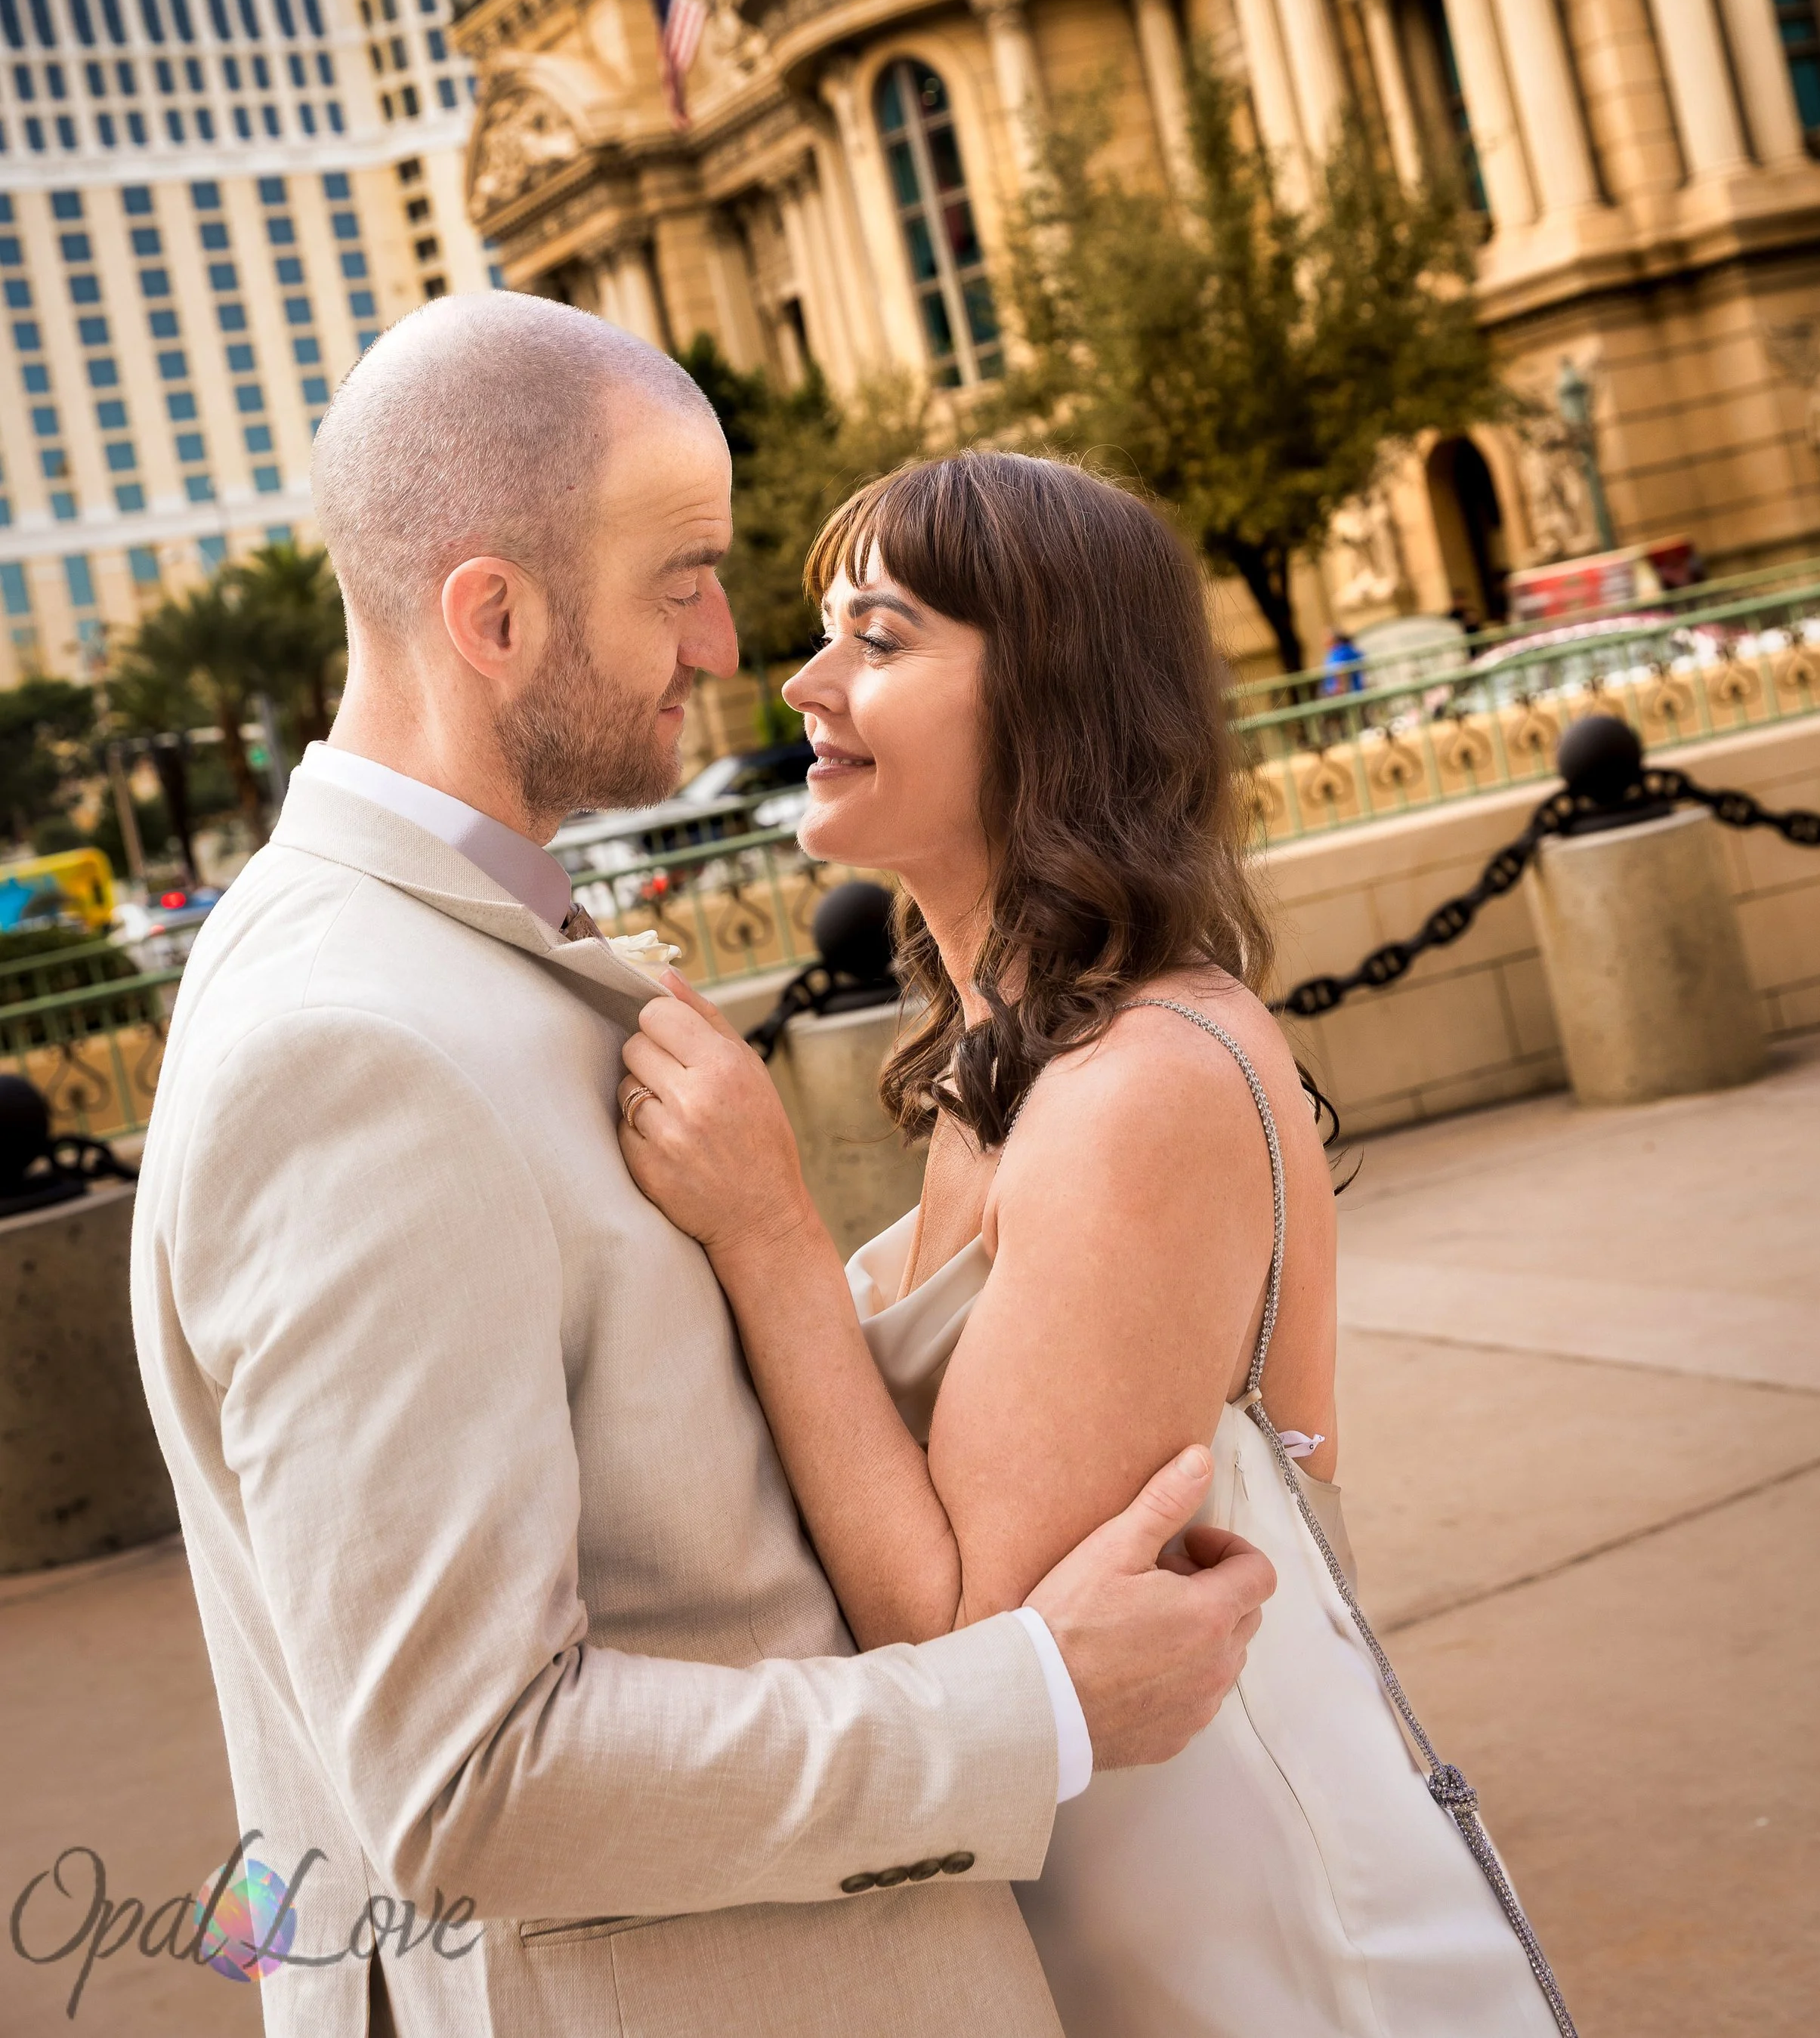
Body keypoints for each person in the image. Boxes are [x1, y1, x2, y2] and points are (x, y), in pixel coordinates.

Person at [129, 300, 1278, 2038]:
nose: (731, 645)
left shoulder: (433, 956)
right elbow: (468, 1783)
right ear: (492, 617)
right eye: (680, 580)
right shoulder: (351, 1042)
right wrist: (1035, 1703)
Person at [619, 449, 1573, 2038]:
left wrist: (768, 1231)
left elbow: (973, 1654)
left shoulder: (1139, 1087)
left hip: (1266, 1958)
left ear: (1047, 697)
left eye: (880, 638)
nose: (801, 681)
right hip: (1110, 1935)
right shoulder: (1012, 1063)